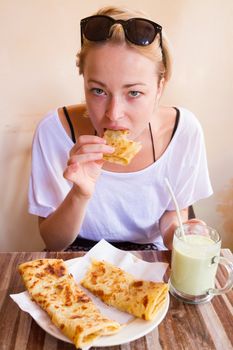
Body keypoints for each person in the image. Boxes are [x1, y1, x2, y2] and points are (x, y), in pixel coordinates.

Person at [28, 6, 213, 251]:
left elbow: (171, 217)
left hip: (147, 260)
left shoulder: (184, 132)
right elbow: (53, 243)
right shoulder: (53, 131)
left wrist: (182, 237)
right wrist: (79, 194)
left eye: (134, 92)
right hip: (74, 257)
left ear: (160, 86)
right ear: (84, 81)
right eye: (98, 91)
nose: (113, 115)